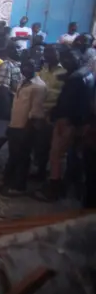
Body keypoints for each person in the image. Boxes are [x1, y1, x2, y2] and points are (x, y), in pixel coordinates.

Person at [46, 47, 95, 201]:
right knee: (74, 155)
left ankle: (55, 190)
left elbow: (66, 103)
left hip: (67, 122)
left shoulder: (75, 79)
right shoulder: (87, 74)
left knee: (56, 155)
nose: (66, 62)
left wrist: (59, 119)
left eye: (69, 59)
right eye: (64, 59)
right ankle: (73, 187)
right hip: (82, 121)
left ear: (78, 59)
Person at [2, 53, 47, 195]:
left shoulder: (39, 86)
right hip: (15, 124)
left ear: (37, 67)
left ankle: (19, 186)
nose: (26, 69)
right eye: (24, 66)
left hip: (25, 127)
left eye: (30, 67)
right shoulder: (23, 81)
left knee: (23, 157)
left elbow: (35, 111)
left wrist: (27, 130)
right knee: (14, 155)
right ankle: (8, 182)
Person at [33, 44, 65, 179]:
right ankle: (40, 170)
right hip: (41, 110)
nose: (47, 55)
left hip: (53, 113)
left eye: (51, 52)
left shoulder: (64, 71)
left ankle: (50, 176)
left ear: (58, 54)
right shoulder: (44, 69)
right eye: (46, 53)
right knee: (40, 143)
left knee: (52, 146)